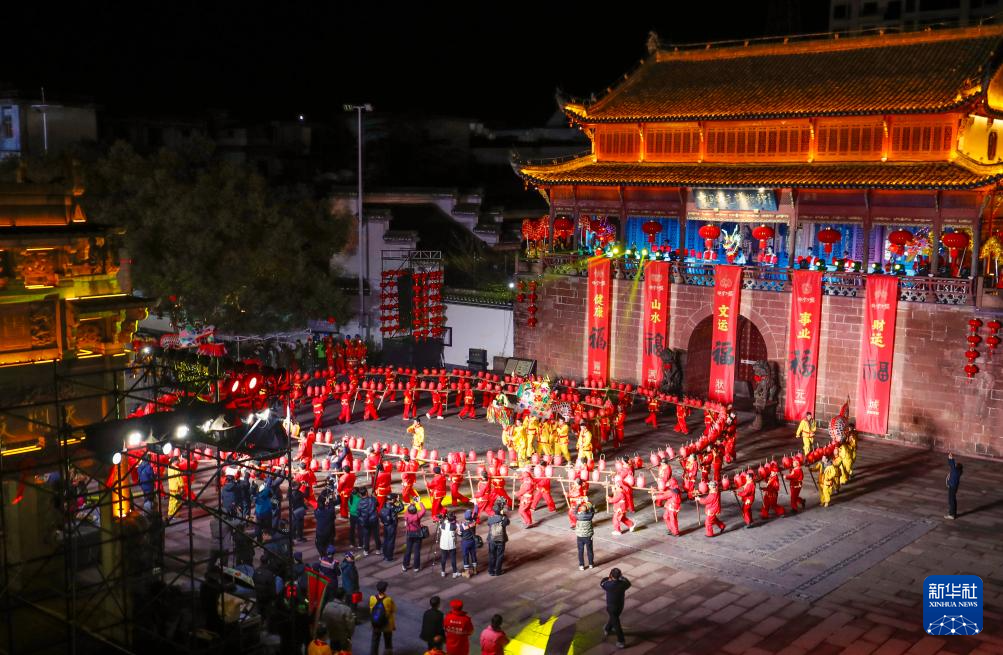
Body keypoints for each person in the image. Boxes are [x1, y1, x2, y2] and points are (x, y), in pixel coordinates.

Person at [600, 568, 631, 649]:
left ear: (611, 575)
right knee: (614, 618)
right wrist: (622, 578)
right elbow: (628, 583)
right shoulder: (623, 584)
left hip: (611, 607)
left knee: (616, 624)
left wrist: (607, 578)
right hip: (620, 605)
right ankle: (607, 628)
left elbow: (602, 583)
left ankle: (621, 641)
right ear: (620, 575)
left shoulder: (608, 585)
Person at [369, 580, 396, 655]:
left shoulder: (372, 598)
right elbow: (394, 609)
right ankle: (388, 653)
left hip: (376, 622)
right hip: (386, 624)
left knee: (375, 640)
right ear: (385, 589)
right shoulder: (388, 600)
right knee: (388, 640)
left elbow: (371, 609)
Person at [486, 499, 510, 576]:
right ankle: (498, 571)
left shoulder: (490, 518)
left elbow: (488, 524)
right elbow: (507, 523)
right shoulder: (504, 518)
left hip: (492, 539)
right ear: (500, 510)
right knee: (500, 555)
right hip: (501, 539)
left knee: (491, 555)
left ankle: (491, 571)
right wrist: (503, 515)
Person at [403, 502, 427, 572]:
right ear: (415, 510)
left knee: (408, 550)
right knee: (417, 551)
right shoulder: (417, 516)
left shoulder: (406, 515)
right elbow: (423, 510)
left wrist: (411, 505)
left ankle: (405, 565)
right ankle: (416, 567)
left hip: (409, 534)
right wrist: (420, 503)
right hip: (417, 534)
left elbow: (407, 510)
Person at [379, 493, 403, 562]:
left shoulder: (385, 504)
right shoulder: (392, 507)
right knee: (391, 541)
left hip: (385, 525)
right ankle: (389, 557)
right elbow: (401, 508)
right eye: (395, 499)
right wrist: (399, 501)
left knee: (386, 540)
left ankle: (385, 555)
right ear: (392, 500)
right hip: (391, 526)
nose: (395, 499)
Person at [357, 488, 380, 556]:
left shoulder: (359, 502)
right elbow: (377, 504)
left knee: (366, 536)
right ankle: (378, 549)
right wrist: (374, 497)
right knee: (376, 535)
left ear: (360, 494)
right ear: (366, 492)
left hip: (365, 521)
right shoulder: (372, 499)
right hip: (374, 520)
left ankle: (366, 550)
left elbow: (359, 513)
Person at [575, 500, 596, 570]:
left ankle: (581, 565)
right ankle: (591, 564)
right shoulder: (590, 516)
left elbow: (574, 511)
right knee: (590, 550)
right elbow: (592, 510)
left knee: (580, 551)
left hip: (580, 536)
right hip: (588, 536)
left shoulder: (578, 516)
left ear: (581, 510)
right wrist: (589, 504)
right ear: (587, 509)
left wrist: (578, 504)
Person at [438, 512, 460, 578]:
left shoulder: (443, 524)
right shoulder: (455, 525)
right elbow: (459, 532)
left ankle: (443, 572)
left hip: (443, 544)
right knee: (453, 558)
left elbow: (440, 526)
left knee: (443, 558)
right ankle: (454, 573)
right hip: (451, 545)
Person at [459, 510, 479, 576]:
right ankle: (475, 570)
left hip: (465, 542)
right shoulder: (474, 523)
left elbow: (460, 534)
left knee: (465, 556)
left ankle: (467, 573)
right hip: (472, 541)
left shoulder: (462, 525)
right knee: (473, 555)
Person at [946, 452, 963, 519]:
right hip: (955, 486)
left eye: (956, 465)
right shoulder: (959, 472)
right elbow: (952, 465)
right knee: (953, 500)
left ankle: (951, 514)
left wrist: (950, 457)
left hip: (952, 486)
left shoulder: (955, 471)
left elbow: (952, 464)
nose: (955, 465)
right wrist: (950, 458)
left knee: (951, 500)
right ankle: (954, 514)